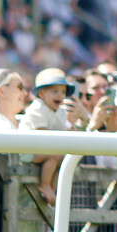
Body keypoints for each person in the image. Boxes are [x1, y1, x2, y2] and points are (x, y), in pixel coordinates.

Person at [19, 68, 77, 205]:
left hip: (45, 149)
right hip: (27, 150)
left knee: (63, 159)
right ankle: (45, 185)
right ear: (42, 94)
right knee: (54, 156)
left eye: (63, 92)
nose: (60, 95)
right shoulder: (37, 108)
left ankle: (54, 190)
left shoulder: (61, 111)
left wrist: (74, 129)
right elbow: (43, 133)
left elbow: (65, 129)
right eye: (55, 91)